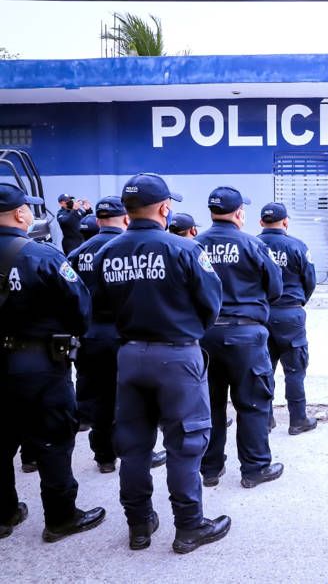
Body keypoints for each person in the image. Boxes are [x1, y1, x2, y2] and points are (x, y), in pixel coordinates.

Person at [93, 173, 228, 553]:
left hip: (130, 356)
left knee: (134, 447)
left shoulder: (106, 252)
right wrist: (183, 334)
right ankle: (189, 526)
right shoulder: (184, 249)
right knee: (184, 444)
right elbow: (211, 304)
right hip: (177, 355)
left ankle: (139, 526)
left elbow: (100, 307)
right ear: (166, 208)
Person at [0, 182, 106, 542]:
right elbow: (80, 307)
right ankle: (61, 517)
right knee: (53, 439)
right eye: (28, 208)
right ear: (19, 214)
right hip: (39, 363)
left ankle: (5, 514)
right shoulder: (41, 256)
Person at [196, 187, 284, 490]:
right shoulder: (252, 244)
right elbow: (275, 288)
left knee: (211, 405)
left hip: (205, 335)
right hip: (246, 334)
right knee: (253, 403)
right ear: (239, 214)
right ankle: (254, 468)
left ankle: (209, 469)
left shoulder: (193, 245)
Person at [67, 196, 128, 474]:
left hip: (90, 335)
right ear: (125, 218)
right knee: (130, 396)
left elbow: (66, 296)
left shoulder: (78, 253)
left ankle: (104, 456)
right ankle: (131, 451)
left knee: (99, 396)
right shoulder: (130, 249)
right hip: (124, 335)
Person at [258, 202, 318, 435]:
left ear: (261, 222)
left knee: (264, 369)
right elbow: (309, 280)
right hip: (290, 313)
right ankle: (297, 420)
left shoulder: (251, 244)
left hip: (261, 314)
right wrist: (298, 302)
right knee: (294, 369)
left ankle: (265, 419)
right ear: (285, 222)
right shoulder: (297, 246)